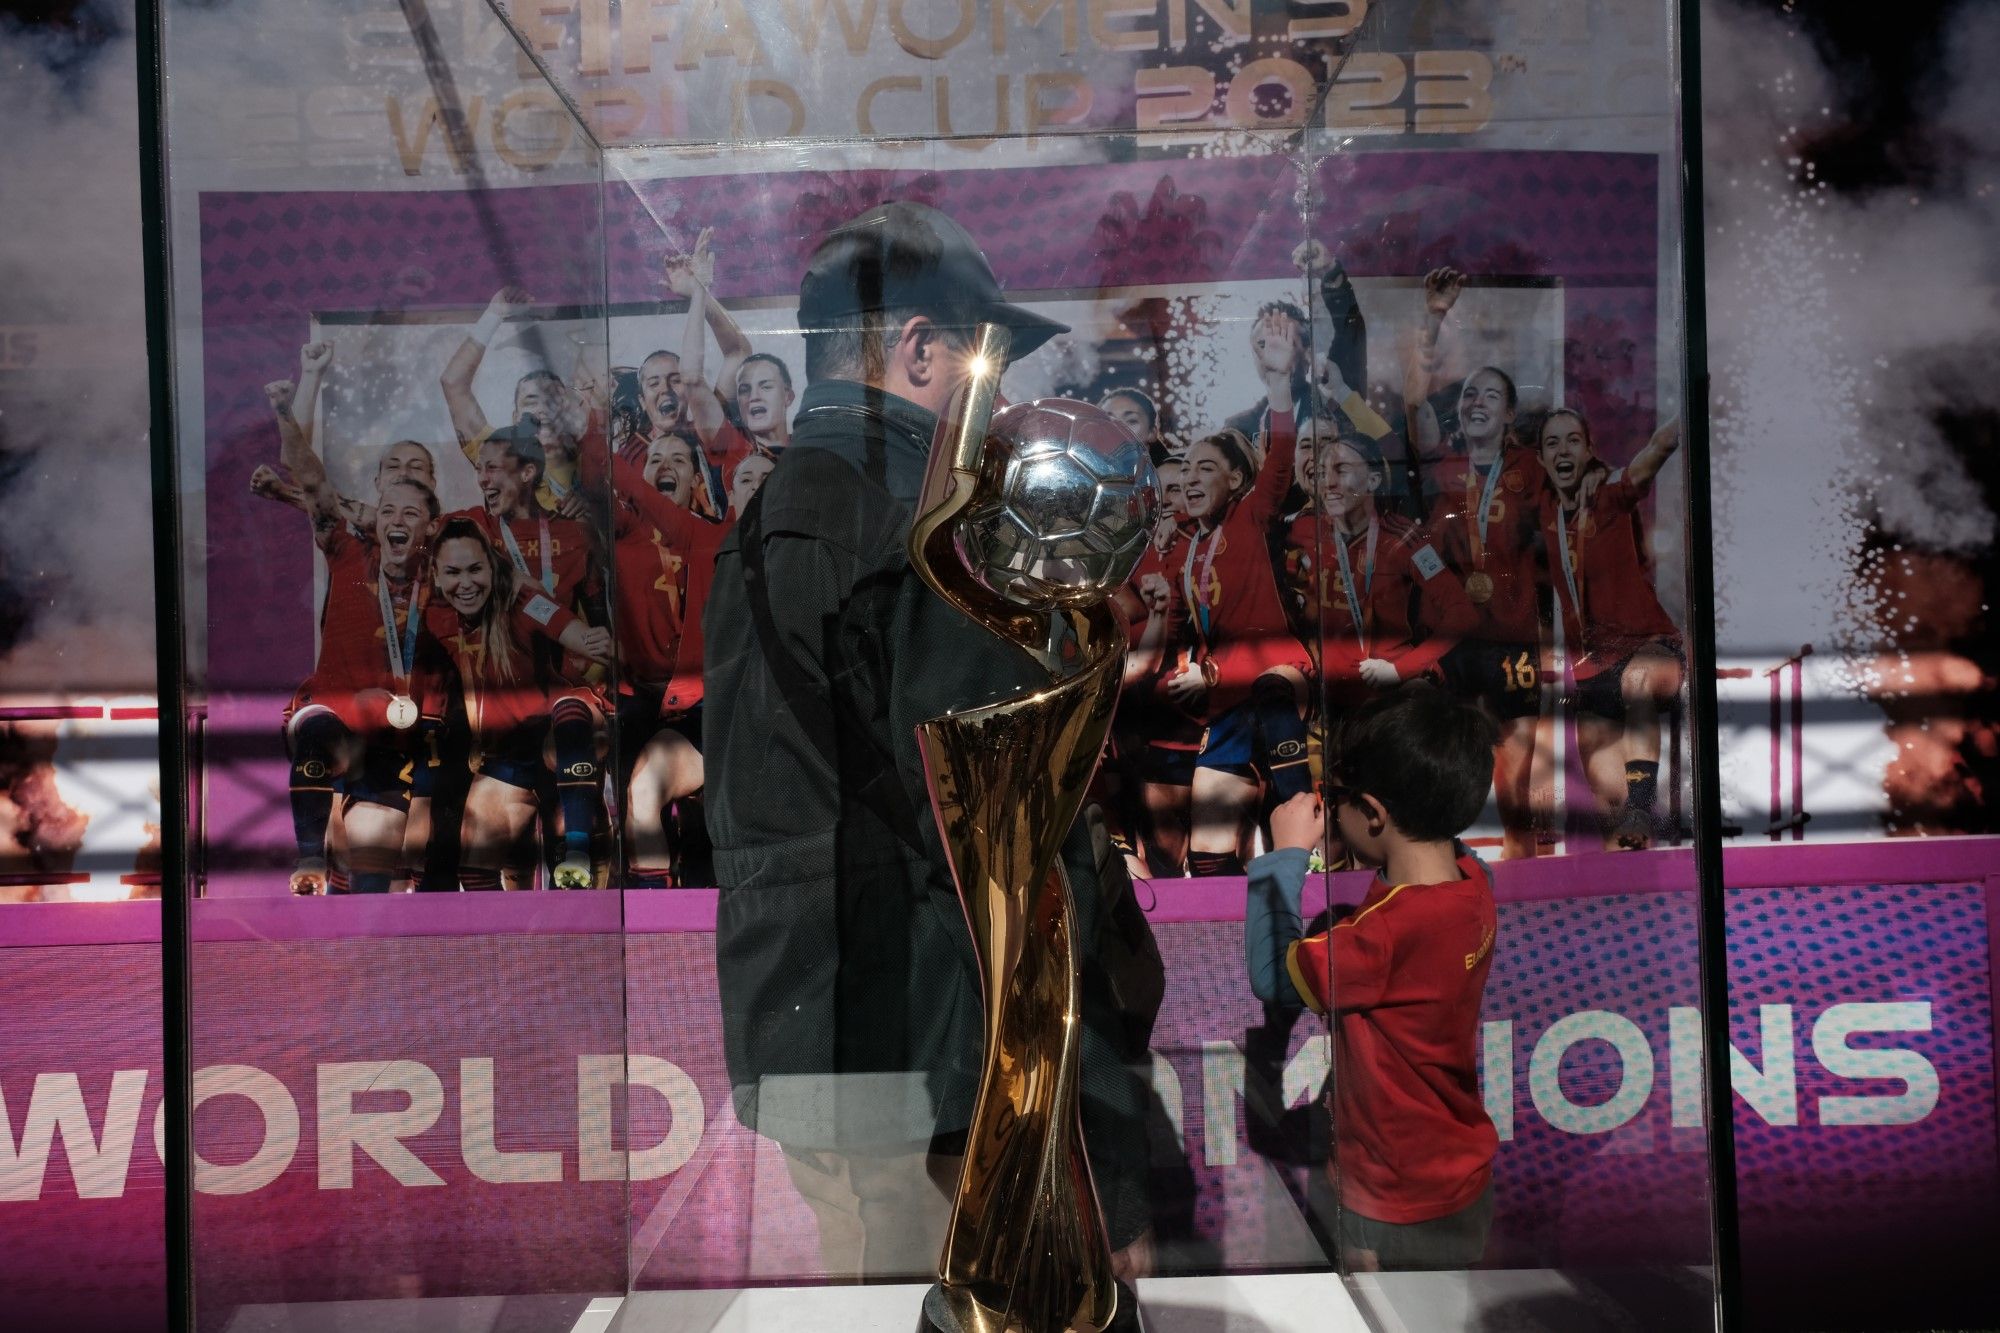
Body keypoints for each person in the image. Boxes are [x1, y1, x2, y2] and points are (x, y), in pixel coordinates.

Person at [703, 200, 1155, 1287]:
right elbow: (993, 820)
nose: (997, 389)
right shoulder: (903, 524)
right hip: (919, 1041)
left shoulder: (796, 508)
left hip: (865, 1028)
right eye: (982, 354)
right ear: (915, 347)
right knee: (918, 1291)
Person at [1244, 687, 1499, 1271]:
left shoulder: (1384, 936)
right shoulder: (1471, 883)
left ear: (1375, 813)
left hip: (1391, 1204)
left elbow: (1269, 973)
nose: (1329, 810)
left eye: (1336, 799)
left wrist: (1284, 855)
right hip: (1463, 1178)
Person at [265, 378, 436, 896]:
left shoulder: (452, 574)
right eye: (388, 511)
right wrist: (283, 410)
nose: (397, 520)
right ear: (372, 518)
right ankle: (309, 856)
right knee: (315, 737)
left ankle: (365, 947)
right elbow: (312, 479)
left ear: (432, 523)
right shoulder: (346, 549)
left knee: (371, 873)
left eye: (411, 512)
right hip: (336, 713)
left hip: (399, 735)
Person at [1406, 267, 1553, 858]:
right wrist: (1433, 317)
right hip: (1454, 642)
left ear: (1511, 414)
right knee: (1454, 766)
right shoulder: (1441, 464)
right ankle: (1454, 874)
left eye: (1491, 394)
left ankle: (1529, 871)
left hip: (1514, 637)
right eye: (1468, 393)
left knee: (1517, 770)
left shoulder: (1533, 471)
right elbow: (1414, 395)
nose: (1476, 401)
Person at [418, 518, 612, 889]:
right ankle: (504, 943)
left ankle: (578, 850)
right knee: (474, 867)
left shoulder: (524, 602)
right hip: (508, 755)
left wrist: (593, 640)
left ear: (492, 566)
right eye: (453, 572)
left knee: (570, 708)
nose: (466, 583)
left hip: (559, 736)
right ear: (438, 576)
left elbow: (572, 632)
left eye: (476, 569)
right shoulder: (437, 618)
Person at [1536, 411, 1686, 849]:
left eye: (1573, 441)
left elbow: (1655, 451)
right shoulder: (1543, 510)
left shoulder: (1608, 494)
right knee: (1611, 812)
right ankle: (1634, 895)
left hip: (1649, 647)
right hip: (1592, 669)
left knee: (1636, 682)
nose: (1563, 451)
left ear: (1589, 450)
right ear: (1541, 459)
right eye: (1552, 444)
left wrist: (1688, 413)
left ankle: (1644, 805)